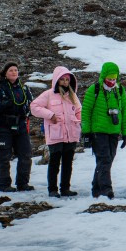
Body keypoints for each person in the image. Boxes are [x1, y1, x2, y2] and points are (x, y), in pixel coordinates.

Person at [30, 66, 81, 198]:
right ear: (56, 80)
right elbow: (34, 107)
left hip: (71, 134)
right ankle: (52, 189)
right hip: (55, 134)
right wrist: (50, 115)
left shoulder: (72, 95)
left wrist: (79, 121)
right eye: (62, 79)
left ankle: (65, 188)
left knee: (68, 162)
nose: (65, 82)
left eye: (67, 80)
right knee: (54, 162)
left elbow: (79, 110)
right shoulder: (48, 94)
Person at [81, 61, 126, 200]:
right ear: (103, 77)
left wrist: (125, 132)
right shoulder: (94, 90)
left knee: (108, 160)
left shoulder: (120, 90)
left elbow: (124, 112)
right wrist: (86, 132)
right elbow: (86, 112)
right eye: (109, 79)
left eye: (114, 79)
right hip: (98, 131)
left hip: (113, 131)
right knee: (104, 159)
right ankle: (106, 190)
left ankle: (96, 188)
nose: (112, 81)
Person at [0, 61, 35, 192]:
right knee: (3, 156)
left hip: (21, 125)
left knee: (26, 154)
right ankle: (4, 184)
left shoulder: (24, 89)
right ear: (5, 74)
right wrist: (3, 105)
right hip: (3, 126)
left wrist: (28, 111)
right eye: (11, 70)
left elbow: (32, 105)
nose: (14, 72)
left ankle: (23, 183)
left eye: (16, 70)